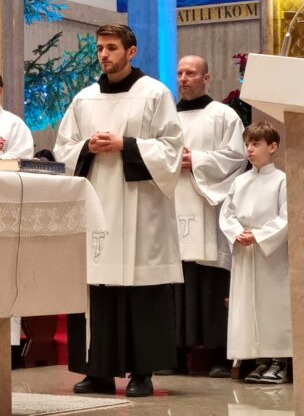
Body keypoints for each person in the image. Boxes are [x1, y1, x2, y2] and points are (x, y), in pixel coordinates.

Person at [54, 23, 184, 398]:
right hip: (96, 203)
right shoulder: (85, 99)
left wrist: (126, 144)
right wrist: (86, 147)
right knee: (97, 289)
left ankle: (142, 373)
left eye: (111, 48)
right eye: (100, 48)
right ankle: (97, 371)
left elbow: (172, 148)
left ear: (131, 51)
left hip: (141, 209)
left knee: (142, 291)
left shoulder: (155, 94)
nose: (104, 55)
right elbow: (63, 148)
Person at [171, 55, 246, 377]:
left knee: (211, 281)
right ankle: (173, 355)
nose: (183, 78)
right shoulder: (166, 117)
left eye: (191, 73)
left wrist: (198, 161)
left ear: (206, 78)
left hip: (207, 208)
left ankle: (217, 356)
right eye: (180, 73)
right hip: (172, 206)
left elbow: (237, 157)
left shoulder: (223, 115)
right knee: (175, 282)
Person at [220, 122, 290, 384]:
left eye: (256, 144)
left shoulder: (282, 180)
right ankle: (259, 360)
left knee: (272, 304)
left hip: (269, 255)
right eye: (247, 144)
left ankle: (280, 361)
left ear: (273, 147)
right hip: (244, 251)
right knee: (246, 306)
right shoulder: (240, 181)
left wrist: (259, 236)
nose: (249, 149)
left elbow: (286, 217)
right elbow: (227, 214)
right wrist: (236, 232)